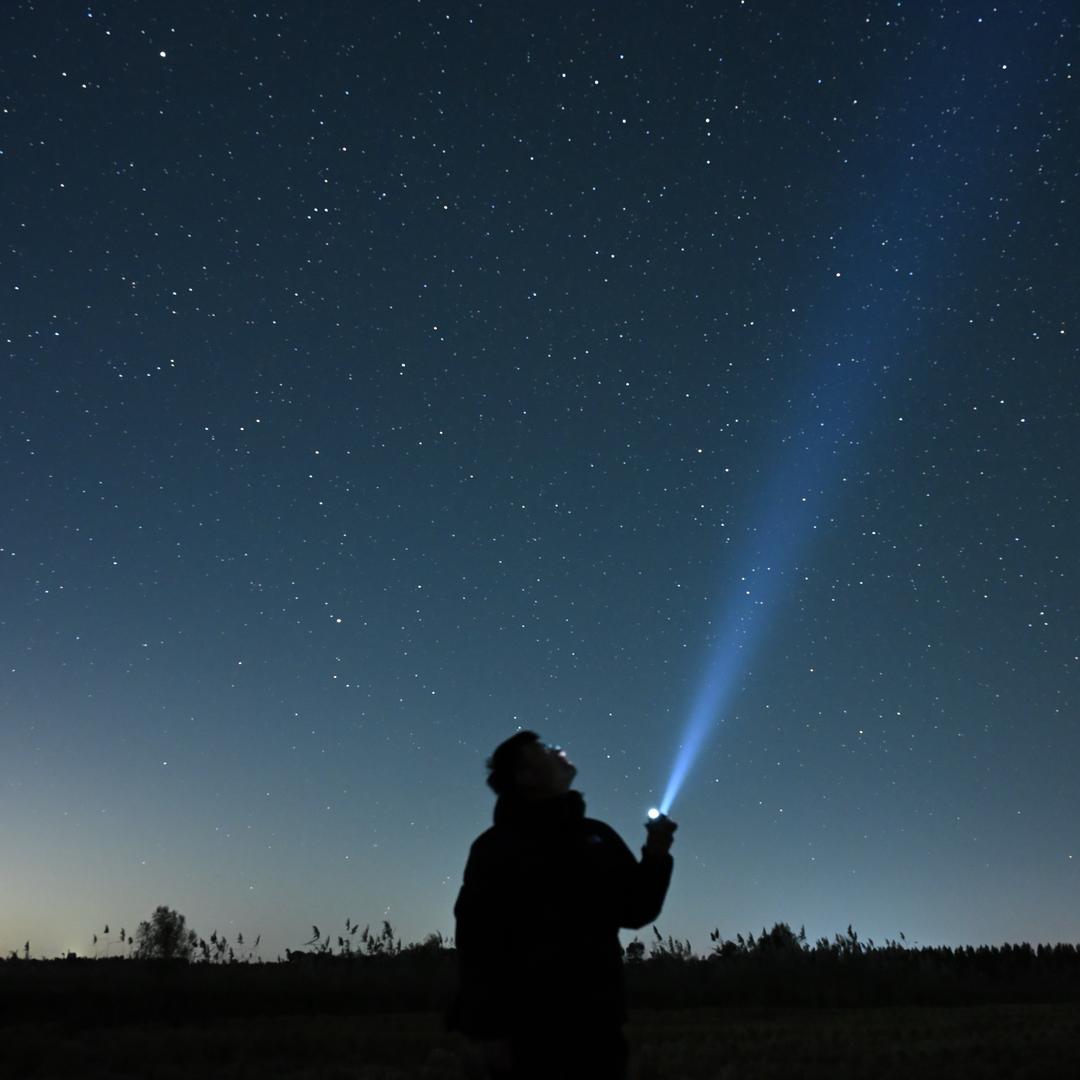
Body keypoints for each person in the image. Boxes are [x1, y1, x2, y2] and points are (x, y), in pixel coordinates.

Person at [450, 731, 676, 1079]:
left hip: (597, 1022)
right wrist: (487, 1031)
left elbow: (636, 909)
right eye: (542, 751)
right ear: (525, 777)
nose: (557, 751)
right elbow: (477, 940)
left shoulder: (597, 835)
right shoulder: (496, 848)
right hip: (528, 1030)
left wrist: (656, 854)